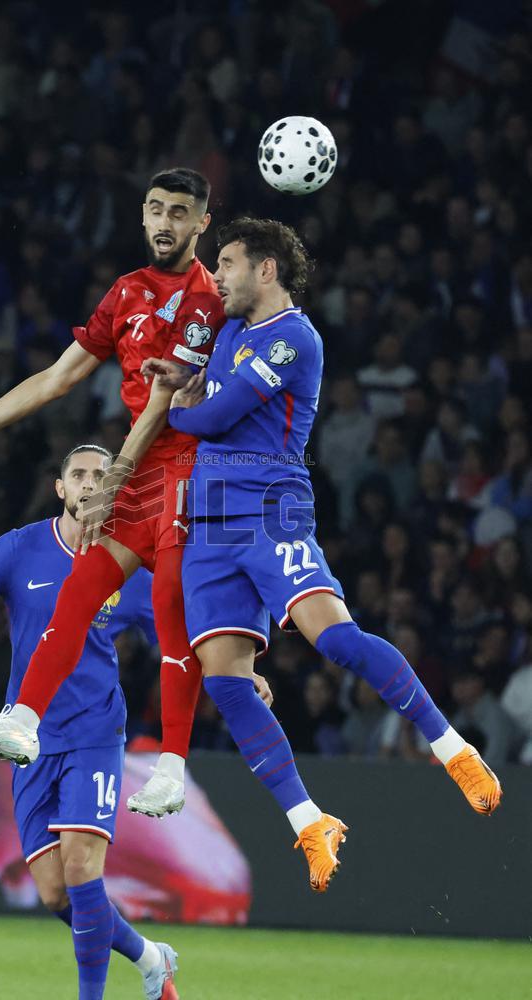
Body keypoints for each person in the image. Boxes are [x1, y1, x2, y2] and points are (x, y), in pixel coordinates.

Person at [145, 217, 502, 890]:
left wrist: (178, 405)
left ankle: (451, 747)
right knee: (225, 683)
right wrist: (186, 390)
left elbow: (213, 417)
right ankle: (310, 821)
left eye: (227, 262)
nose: (214, 275)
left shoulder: (294, 337)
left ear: (267, 270)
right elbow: (207, 403)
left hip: (269, 505)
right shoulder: (227, 336)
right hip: (211, 525)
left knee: (334, 639)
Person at [0, 167, 225, 816]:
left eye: (179, 212)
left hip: (192, 475)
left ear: (201, 222)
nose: (164, 222)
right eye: (154, 208)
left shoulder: (204, 299)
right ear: (142, 215)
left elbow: (165, 403)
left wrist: (113, 479)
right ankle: (22, 722)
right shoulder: (128, 293)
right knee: (80, 592)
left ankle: (171, 765)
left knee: (168, 607)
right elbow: (57, 378)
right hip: (143, 473)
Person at [0, 444, 179, 1000]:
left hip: (95, 731)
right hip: (30, 740)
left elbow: (181, 643)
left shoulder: (128, 562)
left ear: (114, 487)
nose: (90, 482)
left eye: (101, 475)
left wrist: (240, 675)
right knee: (55, 894)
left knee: (83, 867)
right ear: (59, 488)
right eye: (79, 474)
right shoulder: (19, 548)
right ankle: (150, 956)